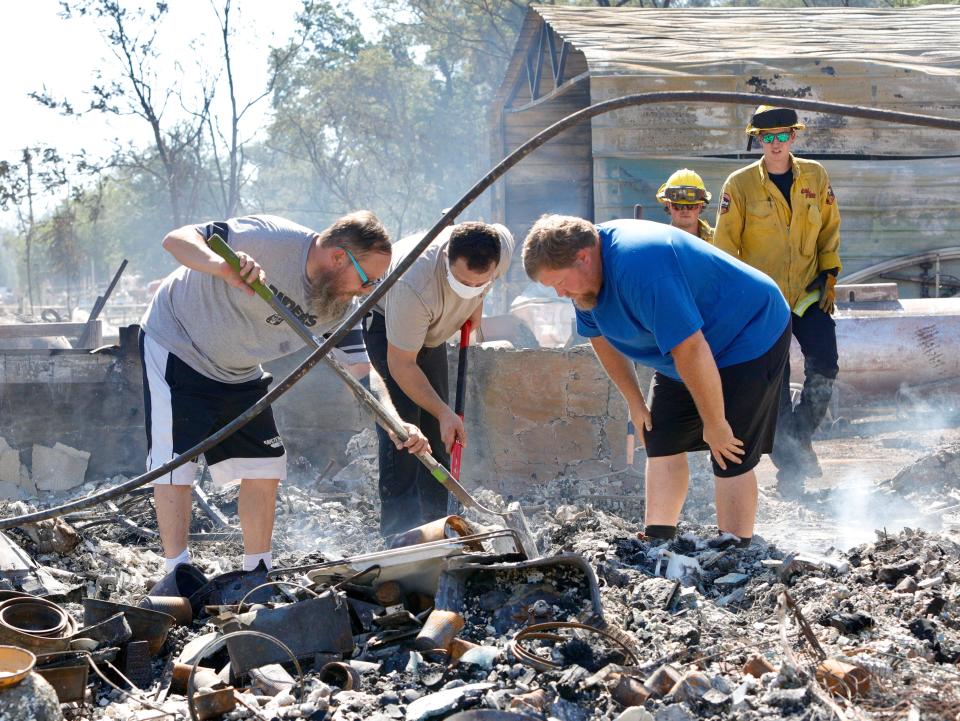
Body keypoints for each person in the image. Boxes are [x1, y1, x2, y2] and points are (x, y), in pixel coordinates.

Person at [140, 213, 429, 573]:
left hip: (240, 369)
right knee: (176, 465)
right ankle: (176, 571)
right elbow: (176, 238)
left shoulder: (340, 307)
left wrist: (394, 421)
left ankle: (256, 571)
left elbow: (362, 372)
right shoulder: (271, 238)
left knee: (265, 467)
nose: (367, 290)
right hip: (178, 344)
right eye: (366, 279)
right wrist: (223, 266)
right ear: (338, 256)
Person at [522, 215, 790, 545]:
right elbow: (600, 339)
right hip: (684, 348)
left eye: (560, 283)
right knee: (660, 435)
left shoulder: (640, 266)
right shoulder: (584, 286)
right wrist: (635, 402)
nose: (561, 293)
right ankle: (658, 538)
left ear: (583, 257)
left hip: (747, 330)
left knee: (728, 448)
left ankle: (734, 550)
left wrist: (716, 422)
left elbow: (691, 349)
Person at [713, 105, 841, 494]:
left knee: (827, 363)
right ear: (757, 139)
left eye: (783, 136)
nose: (775, 145)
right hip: (762, 301)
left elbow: (829, 228)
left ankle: (799, 438)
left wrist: (830, 272)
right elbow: (725, 247)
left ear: (794, 137)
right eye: (767, 138)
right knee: (776, 382)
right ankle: (793, 469)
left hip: (807, 292)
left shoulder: (815, 176)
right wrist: (734, 303)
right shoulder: (739, 185)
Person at [363, 221, 515, 537]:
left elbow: (479, 285)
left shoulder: (499, 247)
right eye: (462, 281)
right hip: (387, 327)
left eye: (479, 283)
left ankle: (437, 522)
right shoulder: (412, 283)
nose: (470, 287)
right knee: (404, 430)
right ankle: (398, 531)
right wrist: (445, 411)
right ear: (446, 256)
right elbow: (402, 364)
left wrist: (476, 303)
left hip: (432, 330)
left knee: (439, 430)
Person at [656, 168, 714, 242]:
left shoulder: (719, 239)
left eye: (691, 206)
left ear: (700, 205)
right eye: (678, 206)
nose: (685, 210)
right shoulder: (659, 242)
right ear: (668, 205)